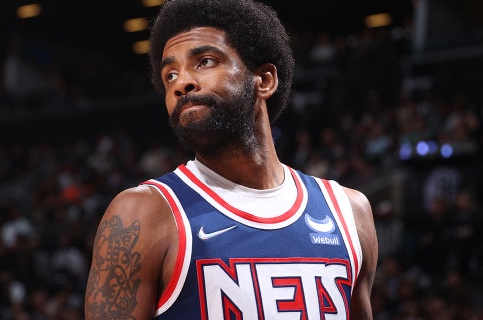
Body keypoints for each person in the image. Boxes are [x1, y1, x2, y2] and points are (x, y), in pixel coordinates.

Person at [84, 0, 379, 319]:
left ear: (264, 80)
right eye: (170, 75)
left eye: (205, 61)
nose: (182, 83)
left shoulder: (349, 212)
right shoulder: (144, 213)